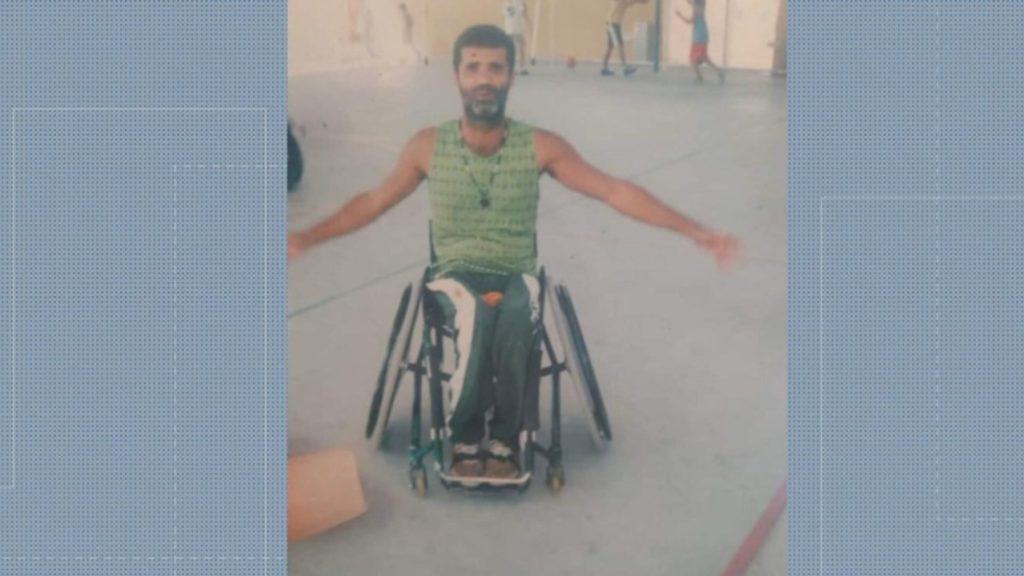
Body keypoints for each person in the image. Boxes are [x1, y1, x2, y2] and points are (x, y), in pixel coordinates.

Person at [288, 25, 741, 480]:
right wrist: (307, 237)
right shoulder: (427, 146)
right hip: (452, 276)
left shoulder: (540, 146)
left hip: (516, 274)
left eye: (495, 68)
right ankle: (465, 437)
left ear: (510, 77)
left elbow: (613, 191)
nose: (484, 78)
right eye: (473, 68)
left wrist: (695, 231)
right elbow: (371, 203)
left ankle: (506, 439)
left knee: (517, 308)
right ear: (457, 76)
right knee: (472, 310)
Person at [676, 0, 725, 84]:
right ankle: (718, 72)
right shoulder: (700, 8)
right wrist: (690, 3)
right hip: (702, 36)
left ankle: (699, 77)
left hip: (698, 37)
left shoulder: (697, 10)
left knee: (693, 59)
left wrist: (680, 15)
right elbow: (695, 10)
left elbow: (690, 21)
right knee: (704, 58)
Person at [601, 0, 648, 76]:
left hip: (613, 23)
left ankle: (604, 68)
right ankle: (625, 68)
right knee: (620, 45)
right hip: (613, 24)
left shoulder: (624, 2)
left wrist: (642, 1)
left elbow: (634, 2)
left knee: (610, 47)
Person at [502, 0, 532, 75]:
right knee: (521, 47)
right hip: (518, 29)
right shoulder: (520, 3)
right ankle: (522, 67)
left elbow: (505, 16)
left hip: (508, 29)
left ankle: (510, 68)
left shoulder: (505, 4)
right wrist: (529, 25)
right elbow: (524, 15)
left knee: (510, 49)